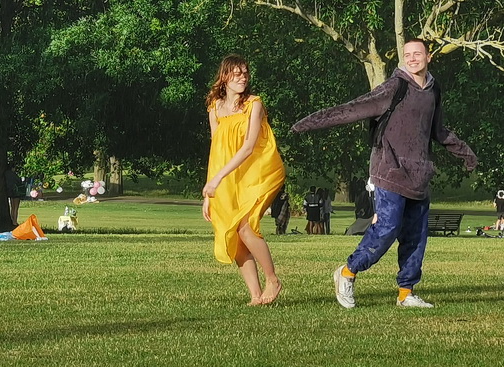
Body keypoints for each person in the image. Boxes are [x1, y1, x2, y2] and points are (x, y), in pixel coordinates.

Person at [291, 39, 477, 308]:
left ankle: (406, 294)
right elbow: (354, 108)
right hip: (389, 171)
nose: (412, 59)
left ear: (429, 57)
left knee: (415, 237)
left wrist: (465, 153)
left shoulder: (434, 90)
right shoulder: (395, 86)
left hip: (419, 176)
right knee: (386, 229)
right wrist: (309, 123)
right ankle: (347, 272)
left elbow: (438, 131)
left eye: (417, 54)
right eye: (407, 55)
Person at [202, 54, 285, 306]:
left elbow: (249, 147)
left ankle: (273, 280)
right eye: (236, 73)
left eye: (245, 73)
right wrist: (209, 192)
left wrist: (217, 179)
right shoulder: (214, 107)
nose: (242, 77)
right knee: (233, 234)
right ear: (224, 76)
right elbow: (215, 150)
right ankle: (255, 295)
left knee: (245, 226)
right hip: (229, 176)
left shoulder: (254, 104)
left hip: (258, 172)